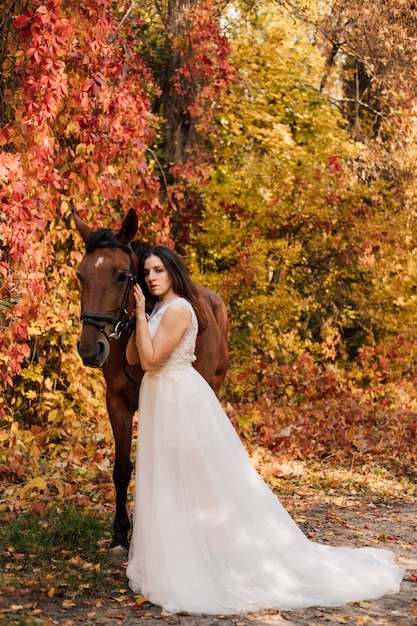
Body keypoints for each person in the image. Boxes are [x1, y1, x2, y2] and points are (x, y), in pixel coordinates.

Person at [125, 245, 404, 616]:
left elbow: (148, 359)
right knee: (166, 481)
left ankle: (204, 562)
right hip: (161, 397)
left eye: (158, 270)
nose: (152, 278)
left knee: (188, 480)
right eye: (147, 273)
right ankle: (176, 558)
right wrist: (138, 316)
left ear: (173, 271)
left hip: (179, 400)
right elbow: (130, 356)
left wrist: (143, 319)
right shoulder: (158, 310)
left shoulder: (177, 310)